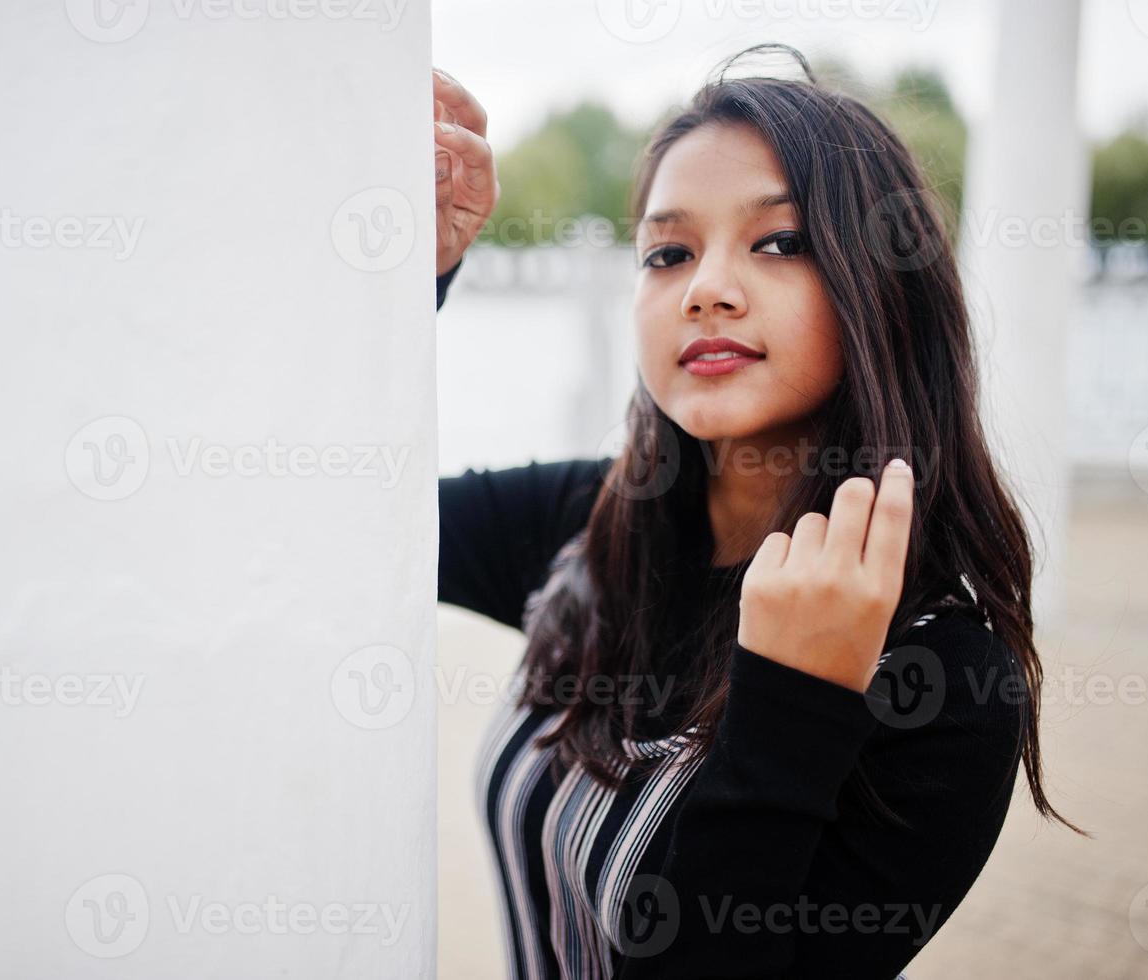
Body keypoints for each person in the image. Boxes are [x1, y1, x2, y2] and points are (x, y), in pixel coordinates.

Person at [431, 44, 1086, 979]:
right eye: (668, 252)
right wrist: (414, 280)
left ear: (882, 288)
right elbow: (329, 529)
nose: (705, 288)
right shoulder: (592, 524)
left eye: (777, 242)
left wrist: (796, 703)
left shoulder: (935, 678)